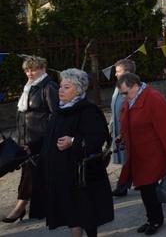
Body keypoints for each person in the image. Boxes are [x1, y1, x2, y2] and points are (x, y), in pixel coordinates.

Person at [30, 69, 114, 237]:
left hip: (80, 175)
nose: (61, 90)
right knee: (72, 213)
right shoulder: (60, 110)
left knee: (86, 212)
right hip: (61, 174)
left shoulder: (88, 111)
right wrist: (32, 147)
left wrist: (73, 141)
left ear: (78, 89)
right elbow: (50, 136)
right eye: (61, 86)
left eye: (66, 87)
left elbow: (98, 138)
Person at [116, 72, 166, 235]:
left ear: (135, 86)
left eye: (125, 92)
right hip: (138, 153)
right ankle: (152, 218)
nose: (124, 97)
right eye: (121, 94)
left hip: (153, 153)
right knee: (146, 189)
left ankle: (155, 220)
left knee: (147, 188)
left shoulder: (154, 98)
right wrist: (122, 136)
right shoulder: (130, 100)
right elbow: (125, 121)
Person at [4, 56, 58, 224]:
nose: (29, 73)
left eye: (33, 69)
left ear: (43, 69)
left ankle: (20, 206)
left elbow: (55, 114)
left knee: (30, 172)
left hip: (39, 140)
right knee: (34, 173)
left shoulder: (48, 87)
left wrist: (46, 139)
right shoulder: (29, 87)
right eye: (27, 70)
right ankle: (44, 206)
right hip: (26, 139)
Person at [110, 59, 135, 197]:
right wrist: (111, 127)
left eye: (118, 71)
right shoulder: (117, 88)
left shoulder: (132, 89)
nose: (116, 74)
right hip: (118, 129)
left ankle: (122, 186)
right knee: (128, 159)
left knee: (129, 159)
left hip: (127, 130)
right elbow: (114, 110)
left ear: (128, 73)